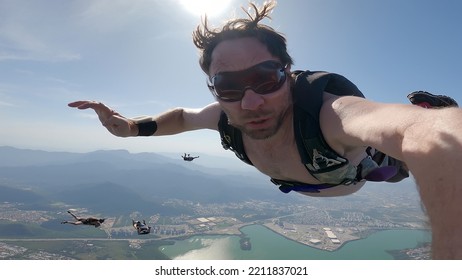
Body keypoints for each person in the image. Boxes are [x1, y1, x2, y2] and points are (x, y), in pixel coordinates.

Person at [68, 1, 462, 259]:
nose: (251, 101)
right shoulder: (224, 116)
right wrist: (132, 129)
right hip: (328, 177)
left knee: (395, 168)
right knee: (389, 174)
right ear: (215, 89)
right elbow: (184, 117)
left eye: (266, 78)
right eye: (229, 86)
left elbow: (429, 135)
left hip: (356, 166)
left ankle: (427, 106)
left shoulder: (329, 115)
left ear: (288, 75)